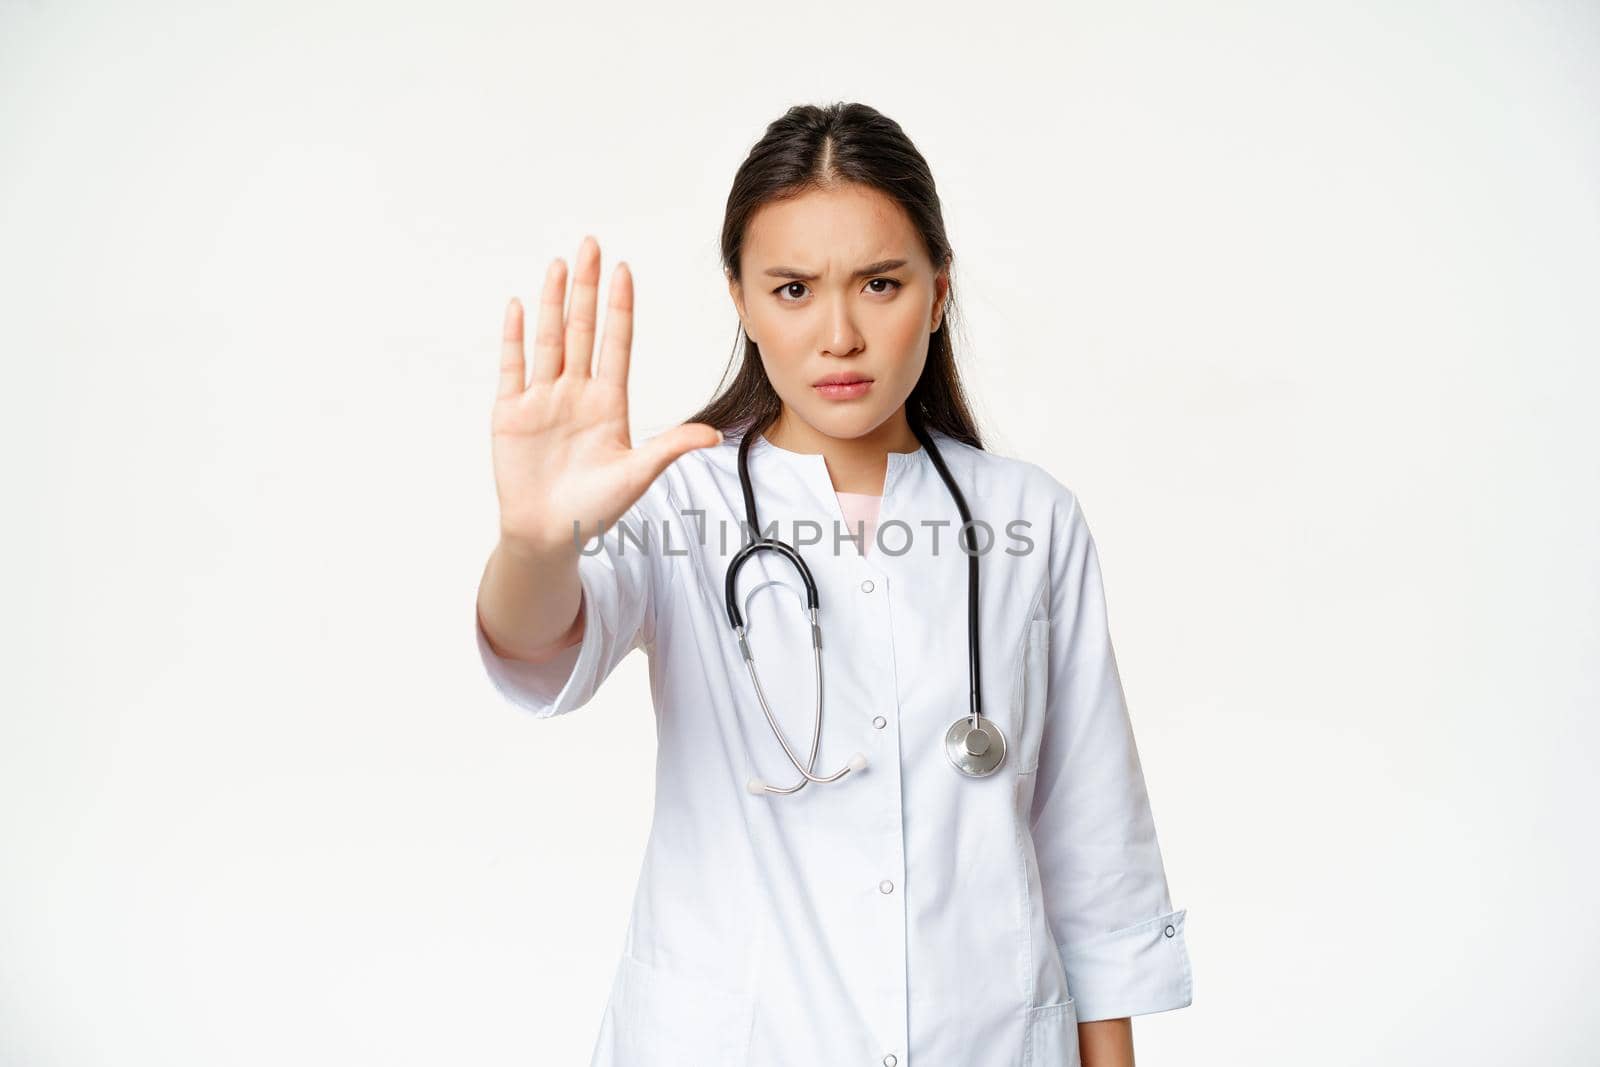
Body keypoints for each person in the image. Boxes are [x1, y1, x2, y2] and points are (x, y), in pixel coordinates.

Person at [474, 101, 1192, 1067]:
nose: (840, 333)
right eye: (793, 289)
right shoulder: (680, 500)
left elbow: (1091, 843)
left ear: (938, 293)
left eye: (880, 283)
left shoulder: (1031, 520)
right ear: (741, 299)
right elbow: (536, 647)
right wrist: (534, 540)